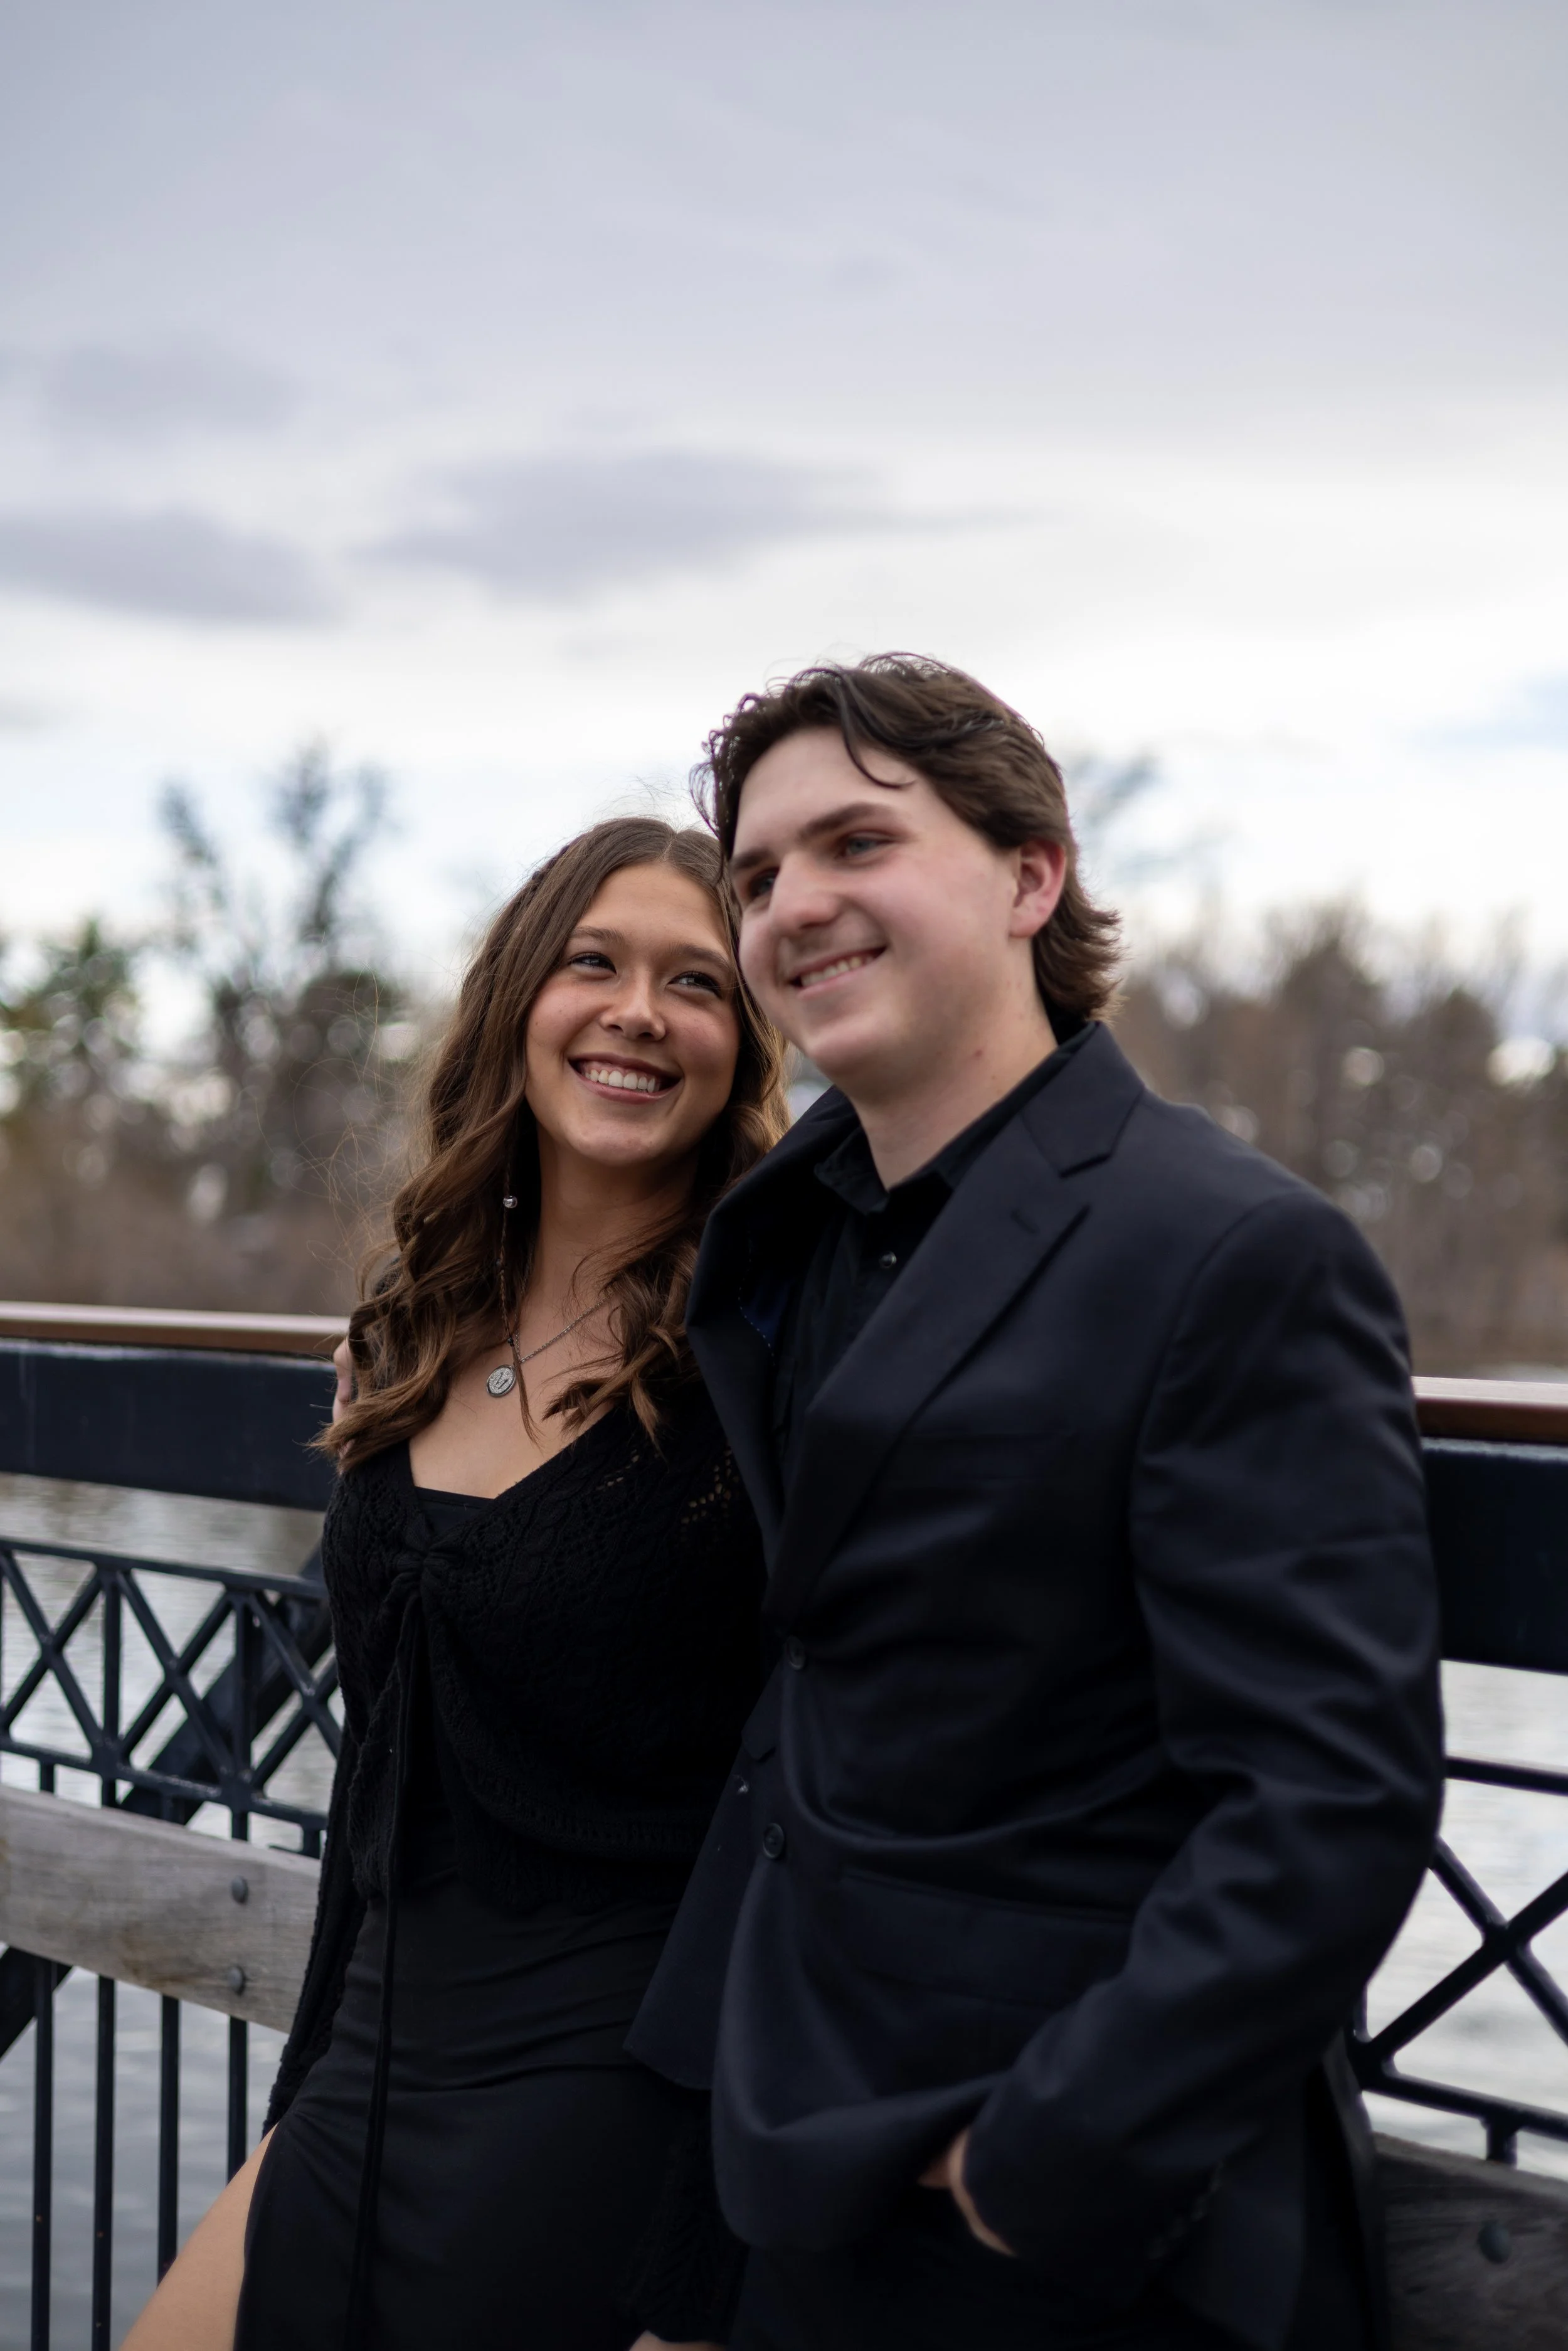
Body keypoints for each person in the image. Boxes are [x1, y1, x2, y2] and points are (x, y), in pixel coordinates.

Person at [628, 657, 1445, 2351]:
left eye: (858, 841)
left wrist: (1038, 2160)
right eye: (761, 873)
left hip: (1071, 2234)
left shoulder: (1230, 1248)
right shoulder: (787, 1229)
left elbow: (1327, 1797)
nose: (794, 906)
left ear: (1029, 873)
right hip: (790, 2159)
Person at [125, 815, 789, 2351]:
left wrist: (697, 2274)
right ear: (517, 1003)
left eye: (696, 982)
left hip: (595, 2099)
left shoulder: (757, 1370)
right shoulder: (417, 1328)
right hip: (364, 2059)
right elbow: (377, 1787)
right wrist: (298, 2107)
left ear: (737, 1044)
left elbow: (789, 1830)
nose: (637, 1010)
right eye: (593, 962)